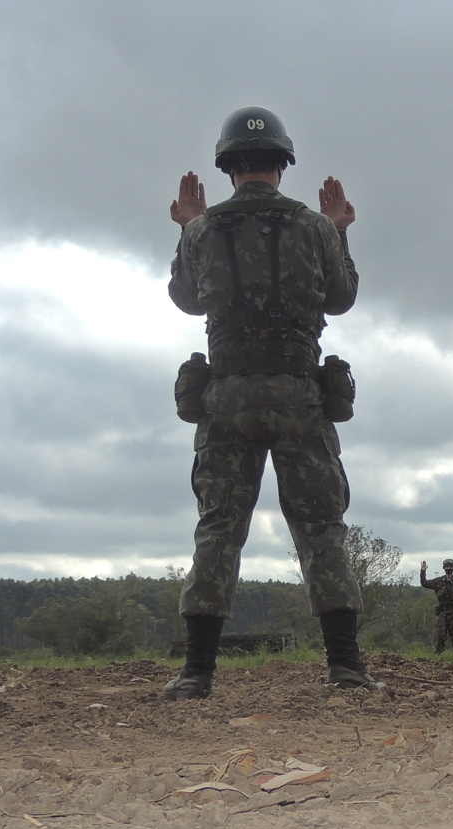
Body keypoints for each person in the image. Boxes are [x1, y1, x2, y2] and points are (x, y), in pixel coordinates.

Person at [162, 105, 380, 699]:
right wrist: (339, 229)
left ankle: (196, 674)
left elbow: (185, 299)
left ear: (228, 165)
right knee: (321, 529)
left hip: (227, 397)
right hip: (298, 398)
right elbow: (341, 298)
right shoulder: (312, 227)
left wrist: (188, 225)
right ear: (283, 163)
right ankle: (346, 667)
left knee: (218, 529)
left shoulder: (204, 230)